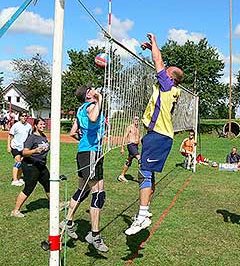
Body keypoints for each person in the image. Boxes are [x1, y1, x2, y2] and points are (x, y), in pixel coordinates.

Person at [125, 33, 183, 235]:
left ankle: (142, 216)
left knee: (143, 172)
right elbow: (160, 62)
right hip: (156, 135)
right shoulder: (168, 87)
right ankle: (144, 212)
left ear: (170, 78)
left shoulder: (167, 86)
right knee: (148, 173)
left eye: (165, 72)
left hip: (159, 134)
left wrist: (155, 43)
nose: (161, 71)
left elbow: (159, 61)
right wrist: (151, 49)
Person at [60, 85, 109, 252]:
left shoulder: (80, 108)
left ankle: (67, 222)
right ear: (88, 95)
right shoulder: (91, 106)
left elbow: (73, 132)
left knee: (82, 190)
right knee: (98, 193)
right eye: (91, 89)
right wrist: (100, 98)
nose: (95, 89)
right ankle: (94, 236)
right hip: (91, 152)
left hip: (84, 152)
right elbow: (94, 119)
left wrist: (83, 138)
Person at [10, 118, 50, 217]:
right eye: (40, 124)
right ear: (35, 126)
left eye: (44, 124)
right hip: (30, 165)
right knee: (29, 187)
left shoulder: (43, 136)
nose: (43, 126)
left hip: (41, 165)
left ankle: (56, 204)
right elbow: (24, 152)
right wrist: (35, 151)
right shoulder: (32, 137)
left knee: (49, 184)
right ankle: (15, 211)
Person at [7, 112, 32, 186]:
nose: (24, 117)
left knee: (22, 163)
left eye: (25, 116)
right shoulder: (16, 125)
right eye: (22, 116)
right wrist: (8, 146)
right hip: (15, 147)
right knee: (18, 162)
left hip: (23, 148)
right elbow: (10, 136)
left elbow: (29, 137)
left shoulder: (29, 126)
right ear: (19, 117)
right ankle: (14, 180)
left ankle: (19, 178)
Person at [118, 116, 141, 182]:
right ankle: (142, 178)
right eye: (135, 119)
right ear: (133, 120)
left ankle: (121, 176)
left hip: (135, 146)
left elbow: (138, 138)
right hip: (131, 145)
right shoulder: (129, 127)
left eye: (138, 119)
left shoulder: (137, 129)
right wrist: (122, 148)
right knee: (139, 159)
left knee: (129, 161)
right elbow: (124, 137)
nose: (137, 120)